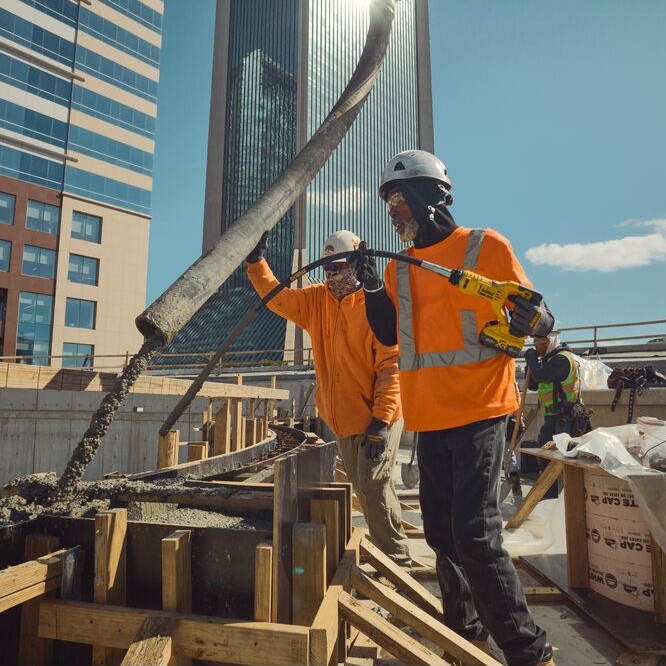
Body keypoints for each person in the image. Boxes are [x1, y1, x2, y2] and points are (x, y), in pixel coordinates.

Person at [352, 149, 555, 666]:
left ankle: (528, 651)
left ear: (435, 196)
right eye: (389, 202)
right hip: (428, 417)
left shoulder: (484, 246)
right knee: (442, 532)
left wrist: (533, 319)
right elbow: (384, 331)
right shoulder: (400, 270)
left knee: (474, 532)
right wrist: (373, 284)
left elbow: (540, 317)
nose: (395, 210)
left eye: (401, 198)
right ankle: (464, 629)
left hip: (481, 409)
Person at [245, 229, 411, 566]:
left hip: (379, 416)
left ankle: (398, 561)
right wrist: (256, 263)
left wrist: (380, 420)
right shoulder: (315, 301)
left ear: (356, 264)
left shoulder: (376, 304)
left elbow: (392, 366)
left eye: (340, 267)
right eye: (329, 269)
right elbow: (278, 298)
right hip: (345, 419)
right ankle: (387, 553)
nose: (334, 275)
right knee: (364, 490)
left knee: (374, 485)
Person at [524, 330, 589, 498]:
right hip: (552, 417)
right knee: (545, 455)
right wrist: (529, 364)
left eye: (542, 344)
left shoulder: (562, 359)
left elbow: (541, 376)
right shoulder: (547, 360)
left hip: (566, 417)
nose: (538, 347)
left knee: (565, 459)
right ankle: (549, 495)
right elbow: (533, 384)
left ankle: (570, 496)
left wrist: (532, 359)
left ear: (551, 342)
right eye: (536, 343)